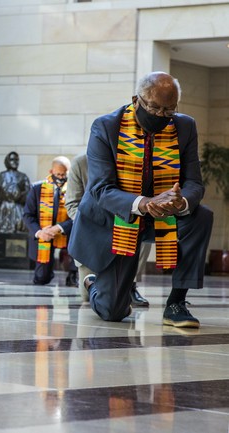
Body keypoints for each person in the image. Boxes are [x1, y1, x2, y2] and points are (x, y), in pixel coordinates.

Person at [69, 71, 213, 328]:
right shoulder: (106, 127)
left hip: (162, 216)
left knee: (201, 216)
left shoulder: (184, 126)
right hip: (117, 220)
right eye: (154, 108)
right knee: (113, 311)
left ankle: (177, 303)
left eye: (169, 110)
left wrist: (180, 202)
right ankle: (93, 282)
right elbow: (101, 189)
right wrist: (145, 203)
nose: (161, 115)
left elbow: (194, 182)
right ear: (136, 100)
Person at [65, 153, 150, 307]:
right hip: (93, 229)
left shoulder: (134, 157)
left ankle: (130, 285)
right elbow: (72, 205)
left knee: (142, 232)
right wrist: (95, 226)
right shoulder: (80, 163)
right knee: (88, 297)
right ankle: (94, 283)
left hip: (126, 225)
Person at [23, 156, 77, 286]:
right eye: (58, 174)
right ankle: (46, 271)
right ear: (51, 171)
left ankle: (73, 273)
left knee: (78, 237)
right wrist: (39, 232)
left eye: (64, 175)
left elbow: (78, 215)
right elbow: (28, 215)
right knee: (41, 278)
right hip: (44, 233)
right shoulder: (37, 188)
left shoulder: (75, 189)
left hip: (66, 231)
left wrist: (59, 227)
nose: (61, 177)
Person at [0, 151, 31, 234]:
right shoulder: (2, 175)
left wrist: (20, 196)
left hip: (18, 208)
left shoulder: (23, 176)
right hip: (3, 208)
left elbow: (28, 192)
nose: (15, 162)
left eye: (17, 160)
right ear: (7, 161)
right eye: (12, 159)